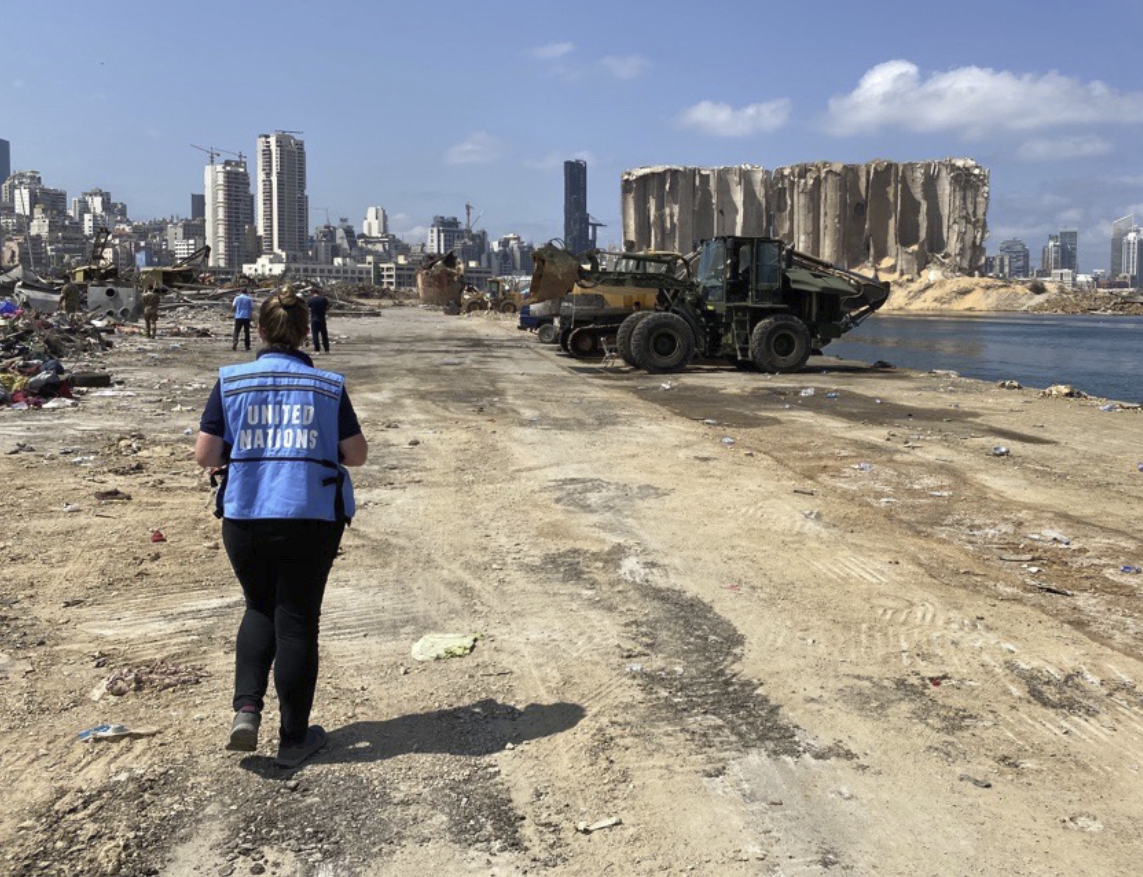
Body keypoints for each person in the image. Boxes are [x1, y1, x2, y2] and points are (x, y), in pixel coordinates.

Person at [194, 288, 368, 768]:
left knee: (258, 607)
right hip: (311, 515)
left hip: (245, 513)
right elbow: (356, 454)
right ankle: (293, 738)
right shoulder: (327, 387)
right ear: (305, 331)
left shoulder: (231, 382)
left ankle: (246, 711)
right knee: (296, 619)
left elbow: (207, 455)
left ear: (261, 329)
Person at [307, 286, 330, 354]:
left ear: (312, 293)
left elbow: (308, 308)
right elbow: (328, 308)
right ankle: (326, 349)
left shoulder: (310, 300)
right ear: (318, 292)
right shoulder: (324, 299)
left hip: (314, 319)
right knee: (324, 335)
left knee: (315, 335)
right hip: (322, 319)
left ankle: (317, 350)